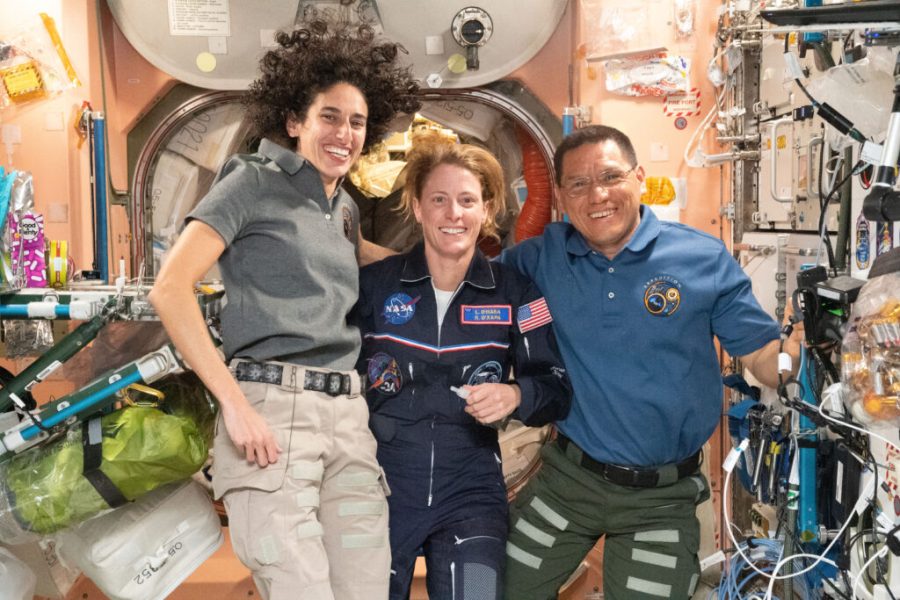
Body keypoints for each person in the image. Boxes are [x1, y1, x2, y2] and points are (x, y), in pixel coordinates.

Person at [148, 21, 419, 600]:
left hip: (348, 418)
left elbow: (369, 261)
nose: (344, 133)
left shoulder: (342, 206)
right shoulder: (252, 181)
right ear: (295, 121)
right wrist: (236, 405)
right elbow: (170, 289)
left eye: (357, 121)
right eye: (329, 116)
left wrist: (457, 257)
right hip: (272, 412)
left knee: (367, 589)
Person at [498, 125, 800, 599]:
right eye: (578, 184)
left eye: (611, 176)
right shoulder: (539, 259)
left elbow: (761, 354)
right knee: (496, 590)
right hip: (567, 484)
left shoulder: (700, 258)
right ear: (559, 195)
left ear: (639, 177)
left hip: (661, 500)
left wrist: (792, 356)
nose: (597, 195)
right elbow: (455, 281)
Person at [353, 140, 572, 600]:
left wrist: (514, 396)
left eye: (467, 200)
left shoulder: (517, 294)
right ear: (417, 207)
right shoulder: (373, 287)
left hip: (470, 489)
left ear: (487, 208)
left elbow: (556, 387)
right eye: (439, 199)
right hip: (377, 485)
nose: (453, 213)